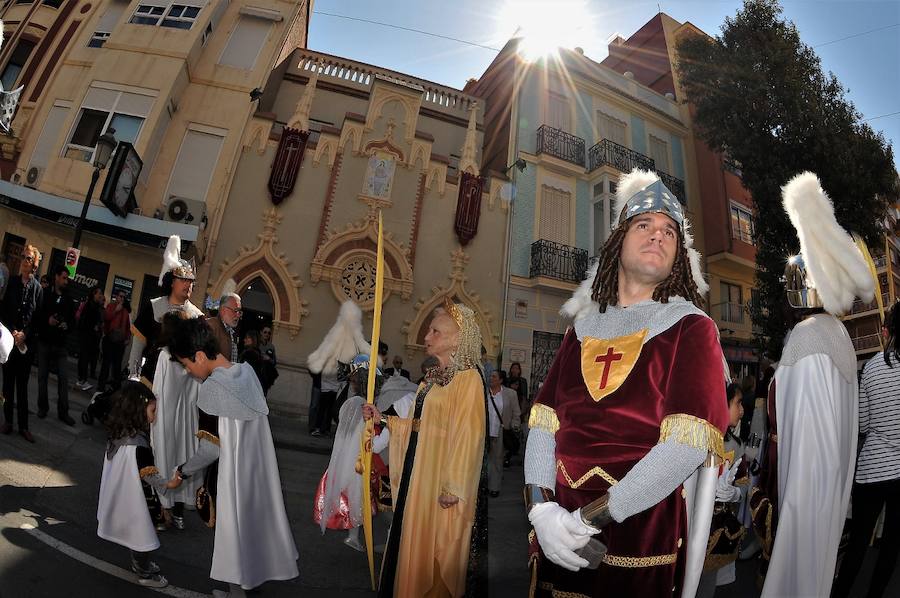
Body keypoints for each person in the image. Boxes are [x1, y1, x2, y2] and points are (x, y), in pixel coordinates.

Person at [524, 169, 729, 597]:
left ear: (678, 255)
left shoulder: (691, 328)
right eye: (644, 225)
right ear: (618, 242)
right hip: (556, 525)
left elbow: (686, 446)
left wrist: (586, 520)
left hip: (640, 529)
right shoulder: (580, 329)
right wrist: (541, 512)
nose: (658, 235)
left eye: (670, 232)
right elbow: (543, 426)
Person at [753, 173, 874, 598]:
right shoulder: (836, 333)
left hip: (806, 505)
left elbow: (803, 446)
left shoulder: (807, 337)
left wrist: (793, 515)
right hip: (829, 503)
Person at [362, 298, 488, 597]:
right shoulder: (432, 380)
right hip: (419, 480)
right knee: (412, 544)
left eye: (435, 332)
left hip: (442, 485)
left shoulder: (469, 378)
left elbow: (468, 435)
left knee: (436, 555)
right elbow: (421, 427)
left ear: (457, 339)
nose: (427, 337)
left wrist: (453, 486)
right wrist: (387, 421)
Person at [167, 317, 299, 597]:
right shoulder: (247, 372)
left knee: (233, 542)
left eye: (187, 364)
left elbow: (211, 449)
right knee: (251, 537)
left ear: (200, 356)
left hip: (232, 482)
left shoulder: (212, 389)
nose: (189, 372)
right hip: (258, 477)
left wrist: (183, 470)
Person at [129, 235, 204, 530]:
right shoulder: (154, 306)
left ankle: (175, 503)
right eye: (183, 280)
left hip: (184, 394)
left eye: (192, 282)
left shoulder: (197, 315)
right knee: (151, 443)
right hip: (152, 383)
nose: (188, 286)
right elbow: (139, 344)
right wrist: (133, 378)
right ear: (171, 281)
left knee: (179, 444)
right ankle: (153, 501)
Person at [832, 306, 900, 598]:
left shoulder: (871, 367)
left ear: (887, 332)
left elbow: (864, 423)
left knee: (858, 543)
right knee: (891, 546)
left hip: (872, 469)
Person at [96, 381, 182, 588]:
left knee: (139, 533)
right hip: (139, 498)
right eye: (153, 411)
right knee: (145, 532)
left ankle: (140, 563)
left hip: (125, 494)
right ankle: (143, 571)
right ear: (138, 411)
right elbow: (148, 474)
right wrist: (169, 484)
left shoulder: (120, 434)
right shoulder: (139, 444)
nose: (155, 416)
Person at [314, 354, 388, 551]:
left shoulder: (351, 402)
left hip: (346, 453)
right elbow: (366, 437)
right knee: (359, 496)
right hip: (357, 456)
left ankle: (353, 536)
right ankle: (354, 537)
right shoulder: (363, 405)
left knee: (356, 496)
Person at [697, 383, 749, 598]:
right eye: (737, 403)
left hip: (720, 532)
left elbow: (744, 484)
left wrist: (734, 493)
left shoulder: (736, 446)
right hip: (696, 527)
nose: (742, 410)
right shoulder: (698, 440)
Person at [307, 301, 371, 437]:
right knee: (320, 407)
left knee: (330, 408)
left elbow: (344, 369)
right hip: (323, 386)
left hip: (334, 386)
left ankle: (325, 428)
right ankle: (316, 427)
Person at [0, 244, 43, 442]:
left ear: (34, 264)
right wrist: (12, 332)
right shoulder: (12, 283)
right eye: (23, 257)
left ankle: (24, 426)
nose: (24, 260)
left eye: (28, 258)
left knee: (22, 387)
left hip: (26, 346)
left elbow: (38, 319)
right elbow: (3, 311)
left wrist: (25, 334)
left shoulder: (38, 289)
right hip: (9, 342)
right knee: (7, 384)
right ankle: (8, 421)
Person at [35, 264, 76, 426]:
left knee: (63, 379)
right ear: (57, 277)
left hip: (60, 345)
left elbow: (73, 321)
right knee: (42, 377)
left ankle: (63, 412)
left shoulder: (68, 299)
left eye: (67, 278)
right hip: (45, 342)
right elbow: (37, 315)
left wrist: (67, 325)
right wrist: (48, 320)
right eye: (64, 278)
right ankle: (42, 407)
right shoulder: (45, 294)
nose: (66, 281)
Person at [487, 369, 520, 497]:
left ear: (501, 380)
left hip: (500, 431)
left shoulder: (510, 394)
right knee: (483, 461)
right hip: (485, 431)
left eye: (494, 377)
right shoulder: (484, 392)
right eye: (490, 376)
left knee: (497, 460)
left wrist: (514, 425)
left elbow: (516, 412)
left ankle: (494, 487)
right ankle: (482, 486)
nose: (491, 378)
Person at [99, 290, 131, 389]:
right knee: (106, 363)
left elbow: (127, 326)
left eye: (123, 297)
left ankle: (116, 386)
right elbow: (106, 317)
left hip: (120, 342)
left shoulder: (125, 311)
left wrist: (127, 337)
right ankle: (101, 385)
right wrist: (116, 311)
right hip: (109, 338)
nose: (121, 299)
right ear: (116, 297)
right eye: (120, 296)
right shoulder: (111, 306)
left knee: (117, 365)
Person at [76, 285, 104, 391]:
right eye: (99, 293)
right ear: (94, 294)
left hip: (89, 336)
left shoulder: (95, 306)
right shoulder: (90, 306)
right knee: (84, 357)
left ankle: (82, 379)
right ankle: (81, 380)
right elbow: (86, 321)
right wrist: (94, 327)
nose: (100, 296)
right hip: (86, 335)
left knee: (86, 357)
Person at [207, 283, 241, 365]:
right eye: (235, 311)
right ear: (223, 310)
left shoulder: (231, 332)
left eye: (239, 312)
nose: (238, 315)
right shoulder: (210, 326)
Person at [240, 330, 276, 396]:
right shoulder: (256, 352)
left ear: (253, 340)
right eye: (265, 332)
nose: (244, 340)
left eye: (247, 338)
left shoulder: (250, 354)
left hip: (249, 387)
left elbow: (247, 373)